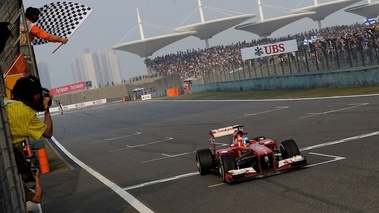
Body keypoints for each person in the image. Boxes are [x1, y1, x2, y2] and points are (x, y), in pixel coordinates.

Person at [5, 75, 53, 203]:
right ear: (37, 97)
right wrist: (46, 110)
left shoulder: (4, 103)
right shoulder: (26, 113)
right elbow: (48, 132)